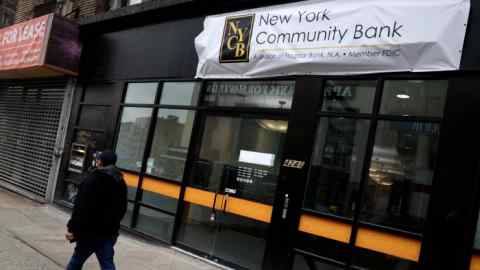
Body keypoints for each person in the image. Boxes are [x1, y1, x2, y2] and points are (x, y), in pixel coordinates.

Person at [65, 150, 127, 270]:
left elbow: (81, 207)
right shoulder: (120, 181)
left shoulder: (93, 178)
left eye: (98, 159)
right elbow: (122, 208)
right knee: (107, 263)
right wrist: (113, 225)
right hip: (108, 232)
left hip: (89, 232)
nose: (97, 161)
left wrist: (72, 228)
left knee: (77, 260)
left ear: (101, 162)